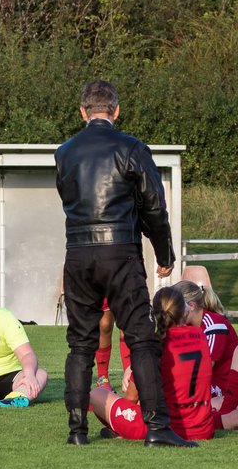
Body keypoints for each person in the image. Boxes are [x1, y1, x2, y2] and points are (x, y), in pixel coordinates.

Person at [54, 79, 193, 447]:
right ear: (116, 111)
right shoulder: (131, 148)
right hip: (120, 251)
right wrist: (163, 253)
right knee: (142, 338)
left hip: (78, 252)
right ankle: (158, 427)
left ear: (83, 112)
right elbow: (153, 206)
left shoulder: (64, 153)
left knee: (80, 344)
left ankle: (76, 430)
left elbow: (68, 198)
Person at [90, 286, 213, 442]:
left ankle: (117, 430)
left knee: (96, 394)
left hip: (162, 427)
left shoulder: (153, 346)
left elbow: (131, 397)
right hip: (203, 428)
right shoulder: (200, 334)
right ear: (184, 311)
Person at [173, 280, 238, 398]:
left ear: (191, 306)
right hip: (204, 382)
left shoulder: (213, 326)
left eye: (176, 308)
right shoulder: (186, 326)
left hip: (222, 387)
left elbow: (203, 371)